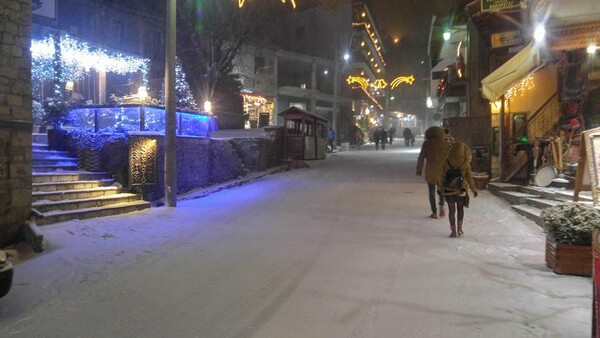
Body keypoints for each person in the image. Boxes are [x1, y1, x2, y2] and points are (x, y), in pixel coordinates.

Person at [440, 142, 478, 237]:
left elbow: (442, 177)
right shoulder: (465, 163)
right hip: (461, 190)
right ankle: (460, 229)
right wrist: (474, 189)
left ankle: (453, 231)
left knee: (451, 210)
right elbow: (469, 178)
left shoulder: (447, 161)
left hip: (449, 190)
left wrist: (440, 188)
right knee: (460, 209)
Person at [416, 126, 448, 219]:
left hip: (431, 170)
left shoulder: (427, 144)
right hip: (443, 170)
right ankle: (442, 205)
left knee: (431, 192)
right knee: (442, 190)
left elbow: (421, 157)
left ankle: (434, 212)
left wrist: (419, 169)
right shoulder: (445, 144)